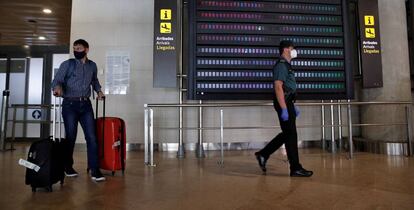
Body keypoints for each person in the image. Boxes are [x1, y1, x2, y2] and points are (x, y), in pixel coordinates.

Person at [255, 40, 313, 177]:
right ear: (286, 49)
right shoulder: (281, 65)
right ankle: (295, 168)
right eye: (292, 48)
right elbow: (278, 87)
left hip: (288, 102)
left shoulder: (287, 65)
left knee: (288, 133)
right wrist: (284, 108)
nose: (294, 51)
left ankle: (263, 154)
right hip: (284, 103)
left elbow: (287, 87)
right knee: (291, 134)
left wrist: (292, 104)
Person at [52, 39, 106, 182]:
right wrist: (57, 88)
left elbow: (94, 81)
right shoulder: (68, 64)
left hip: (86, 105)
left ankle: (95, 170)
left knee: (92, 137)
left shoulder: (92, 65)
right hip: (70, 104)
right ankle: (67, 167)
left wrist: (99, 92)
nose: (76, 50)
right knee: (71, 137)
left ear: (86, 50)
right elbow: (57, 80)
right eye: (74, 48)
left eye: (79, 48)